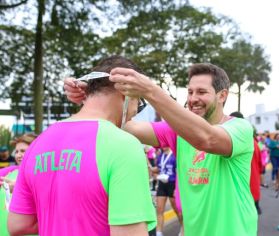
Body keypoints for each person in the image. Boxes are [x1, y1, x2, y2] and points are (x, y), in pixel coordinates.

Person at [64, 63, 258, 236]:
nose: (193, 98)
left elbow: (207, 139)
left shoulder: (240, 128)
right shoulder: (178, 132)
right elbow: (124, 125)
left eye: (201, 92)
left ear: (222, 95)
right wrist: (91, 100)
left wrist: (150, 90)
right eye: (190, 92)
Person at [8, 55, 156, 236]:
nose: (134, 113)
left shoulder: (38, 143)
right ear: (126, 93)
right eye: (138, 103)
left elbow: (18, 225)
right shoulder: (124, 145)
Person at [0, 133, 37, 236]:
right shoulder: (11, 171)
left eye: (23, 151)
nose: (18, 155)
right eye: (16, 151)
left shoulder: (42, 175)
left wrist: (18, 188)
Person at [230, 111, 263, 215]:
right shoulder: (254, 142)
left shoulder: (234, 142)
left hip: (241, 192)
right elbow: (260, 166)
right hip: (253, 190)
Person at [152, 147, 181, 236]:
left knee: (177, 210)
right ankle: (159, 233)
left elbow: (179, 172)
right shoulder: (160, 155)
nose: (162, 146)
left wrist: (177, 189)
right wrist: (151, 169)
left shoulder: (174, 155)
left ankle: (183, 228)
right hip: (162, 184)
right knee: (159, 209)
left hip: (172, 184)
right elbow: (158, 169)